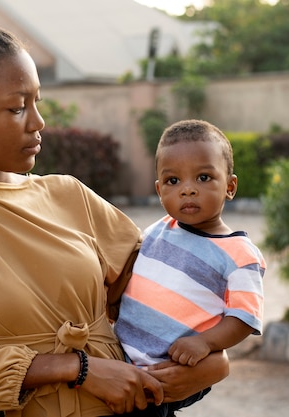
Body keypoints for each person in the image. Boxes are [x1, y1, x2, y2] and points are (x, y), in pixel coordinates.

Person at [0, 22, 229, 417]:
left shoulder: (67, 193)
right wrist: (75, 369)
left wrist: (214, 358)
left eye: (37, 102)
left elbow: (172, 292)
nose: (38, 121)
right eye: (17, 107)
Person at [114, 119, 266, 417]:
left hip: (170, 370)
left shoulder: (239, 254)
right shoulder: (159, 228)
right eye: (173, 181)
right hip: (121, 357)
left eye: (204, 177)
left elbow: (245, 317)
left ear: (230, 186)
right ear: (159, 190)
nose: (187, 190)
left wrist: (204, 342)